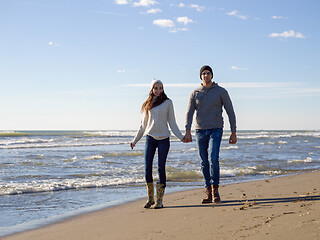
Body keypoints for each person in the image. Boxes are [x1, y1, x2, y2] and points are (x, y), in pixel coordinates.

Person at [183, 65, 237, 204]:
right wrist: (187, 130)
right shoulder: (195, 93)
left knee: (213, 158)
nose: (206, 75)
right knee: (203, 161)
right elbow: (189, 113)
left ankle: (215, 191)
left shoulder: (221, 91)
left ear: (212, 75)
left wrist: (233, 132)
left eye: (208, 73)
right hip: (200, 130)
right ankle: (208, 191)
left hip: (216, 129)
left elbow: (230, 111)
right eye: (204, 73)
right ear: (201, 76)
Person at [130, 79, 184, 209]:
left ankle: (159, 200)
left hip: (164, 139)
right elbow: (142, 126)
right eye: (156, 88)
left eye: (160, 88)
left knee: (161, 168)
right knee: (147, 168)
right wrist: (134, 140)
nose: (158, 90)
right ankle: (150, 199)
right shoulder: (147, 105)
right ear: (152, 89)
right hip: (150, 138)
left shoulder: (168, 103)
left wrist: (181, 137)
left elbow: (172, 122)